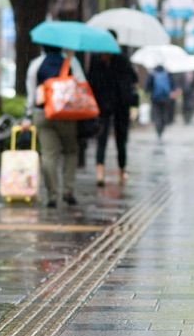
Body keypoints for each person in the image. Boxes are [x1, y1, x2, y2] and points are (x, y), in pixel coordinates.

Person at [27, 44, 85, 208]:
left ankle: (52, 194)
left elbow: (31, 93)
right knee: (70, 151)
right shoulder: (71, 63)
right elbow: (81, 86)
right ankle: (68, 190)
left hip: (43, 113)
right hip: (65, 113)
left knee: (48, 154)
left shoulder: (36, 65)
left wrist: (28, 114)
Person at [87, 34, 138, 186]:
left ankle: (122, 169)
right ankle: (99, 171)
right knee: (101, 138)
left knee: (121, 140)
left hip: (120, 107)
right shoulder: (97, 60)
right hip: (102, 106)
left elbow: (132, 80)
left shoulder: (122, 59)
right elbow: (91, 81)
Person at [145, 64, 175, 140]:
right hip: (165, 98)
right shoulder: (167, 74)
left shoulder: (153, 74)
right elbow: (172, 85)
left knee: (157, 115)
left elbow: (147, 87)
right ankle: (162, 129)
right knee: (164, 114)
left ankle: (159, 131)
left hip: (155, 98)